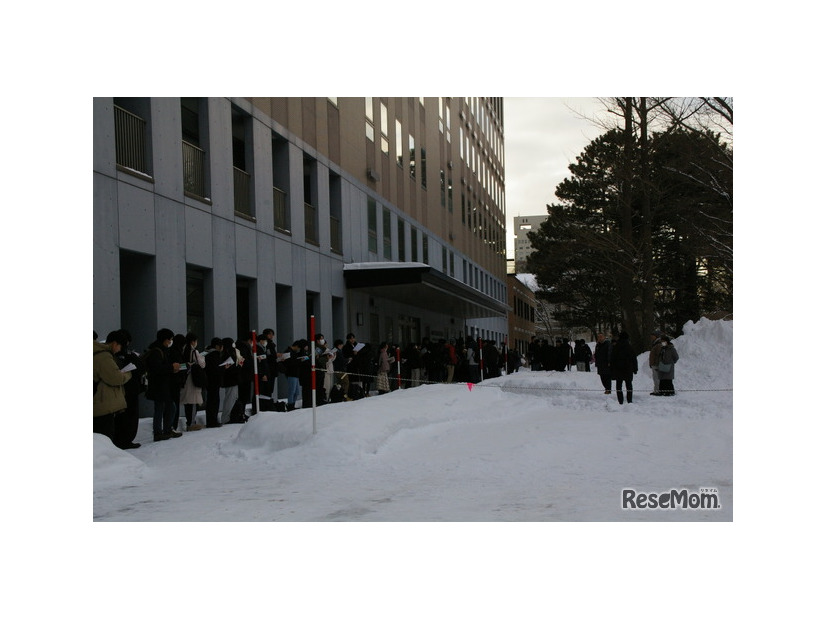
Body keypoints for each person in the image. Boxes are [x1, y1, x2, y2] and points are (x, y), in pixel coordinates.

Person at [144, 328, 183, 441]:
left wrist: (172, 369)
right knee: (162, 408)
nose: (170, 342)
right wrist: (171, 367)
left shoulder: (161, 350)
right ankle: (159, 432)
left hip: (163, 386)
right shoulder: (157, 351)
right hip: (159, 386)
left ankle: (166, 429)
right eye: (169, 340)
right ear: (165, 340)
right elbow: (157, 368)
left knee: (167, 407)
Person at [94, 330, 132, 442]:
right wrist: (127, 374)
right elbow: (116, 378)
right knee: (104, 441)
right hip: (103, 405)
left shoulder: (95, 353)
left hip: (97, 403)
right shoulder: (103, 356)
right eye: (120, 346)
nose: (120, 349)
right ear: (115, 343)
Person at [112, 329, 144, 449]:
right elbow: (140, 367)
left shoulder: (114, 355)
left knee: (122, 416)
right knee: (129, 416)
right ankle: (125, 440)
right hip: (129, 389)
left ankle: (121, 440)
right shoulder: (127, 355)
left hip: (121, 390)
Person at [180, 332, 205, 431]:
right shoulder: (194, 351)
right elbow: (202, 364)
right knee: (193, 402)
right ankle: (191, 423)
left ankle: (189, 422)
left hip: (185, 379)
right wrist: (202, 358)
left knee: (187, 403)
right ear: (193, 341)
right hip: (193, 379)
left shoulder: (182, 350)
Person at [610, 332, 638, 405]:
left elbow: (612, 358)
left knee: (619, 385)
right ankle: (629, 400)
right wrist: (635, 369)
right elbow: (634, 359)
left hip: (618, 369)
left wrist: (612, 369)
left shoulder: (616, 347)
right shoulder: (629, 347)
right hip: (628, 369)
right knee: (629, 385)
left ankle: (620, 400)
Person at [203, 338, 225, 427]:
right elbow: (217, 368)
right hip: (214, 381)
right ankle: (213, 421)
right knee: (214, 401)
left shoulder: (206, 354)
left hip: (209, 381)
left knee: (210, 401)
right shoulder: (215, 355)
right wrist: (224, 368)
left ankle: (210, 420)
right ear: (217, 346)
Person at [219, 337, 241, 424]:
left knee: (232, 398)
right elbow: (231, 368)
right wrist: (238, 367)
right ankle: (226, 418)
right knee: (230, 399)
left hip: (232, 380)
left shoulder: (227, 353)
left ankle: (229, 416)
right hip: (231, 380)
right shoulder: (229, 353)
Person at [648, 330, 664, 395]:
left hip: (656, 363)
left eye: (653, 335)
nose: (651, 337)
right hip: (655, 363)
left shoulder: (658, 343)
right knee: (656, 378)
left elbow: (659, 354)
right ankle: (657, 390)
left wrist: (655, 362)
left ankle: (658, 391)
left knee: (657, 378)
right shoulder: (656, 343)